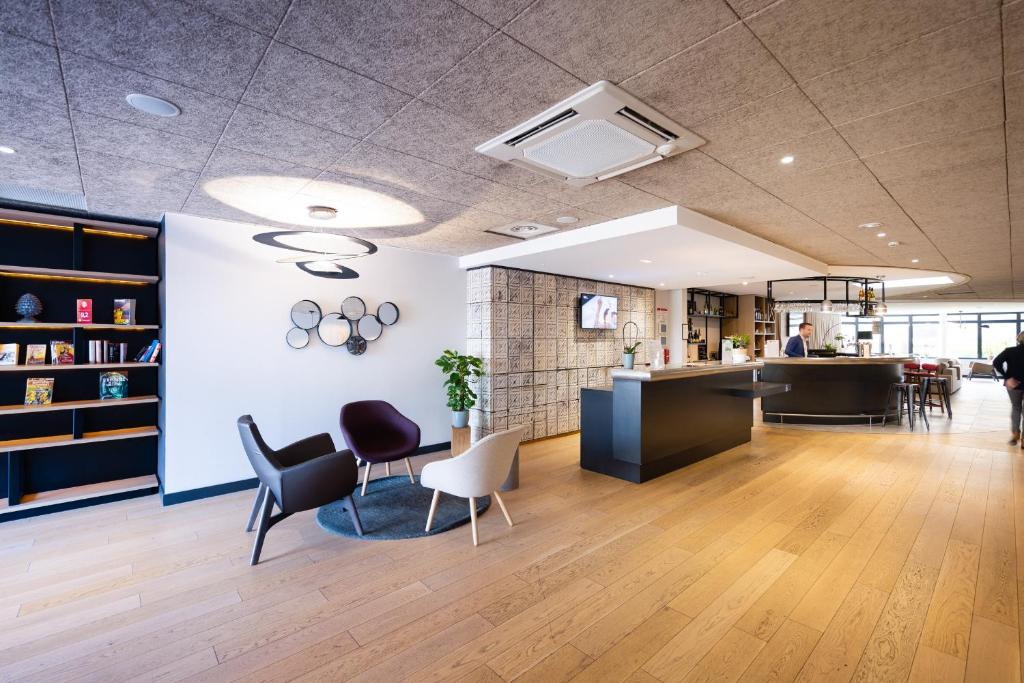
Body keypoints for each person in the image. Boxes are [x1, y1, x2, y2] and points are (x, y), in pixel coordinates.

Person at [993, 331, 1024, 445]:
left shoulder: (1010, 351)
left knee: (1016, 407)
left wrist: (1007, 377)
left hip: (1013, 384)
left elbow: (996, 362)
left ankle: (1015, 433)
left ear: (1018, 339)